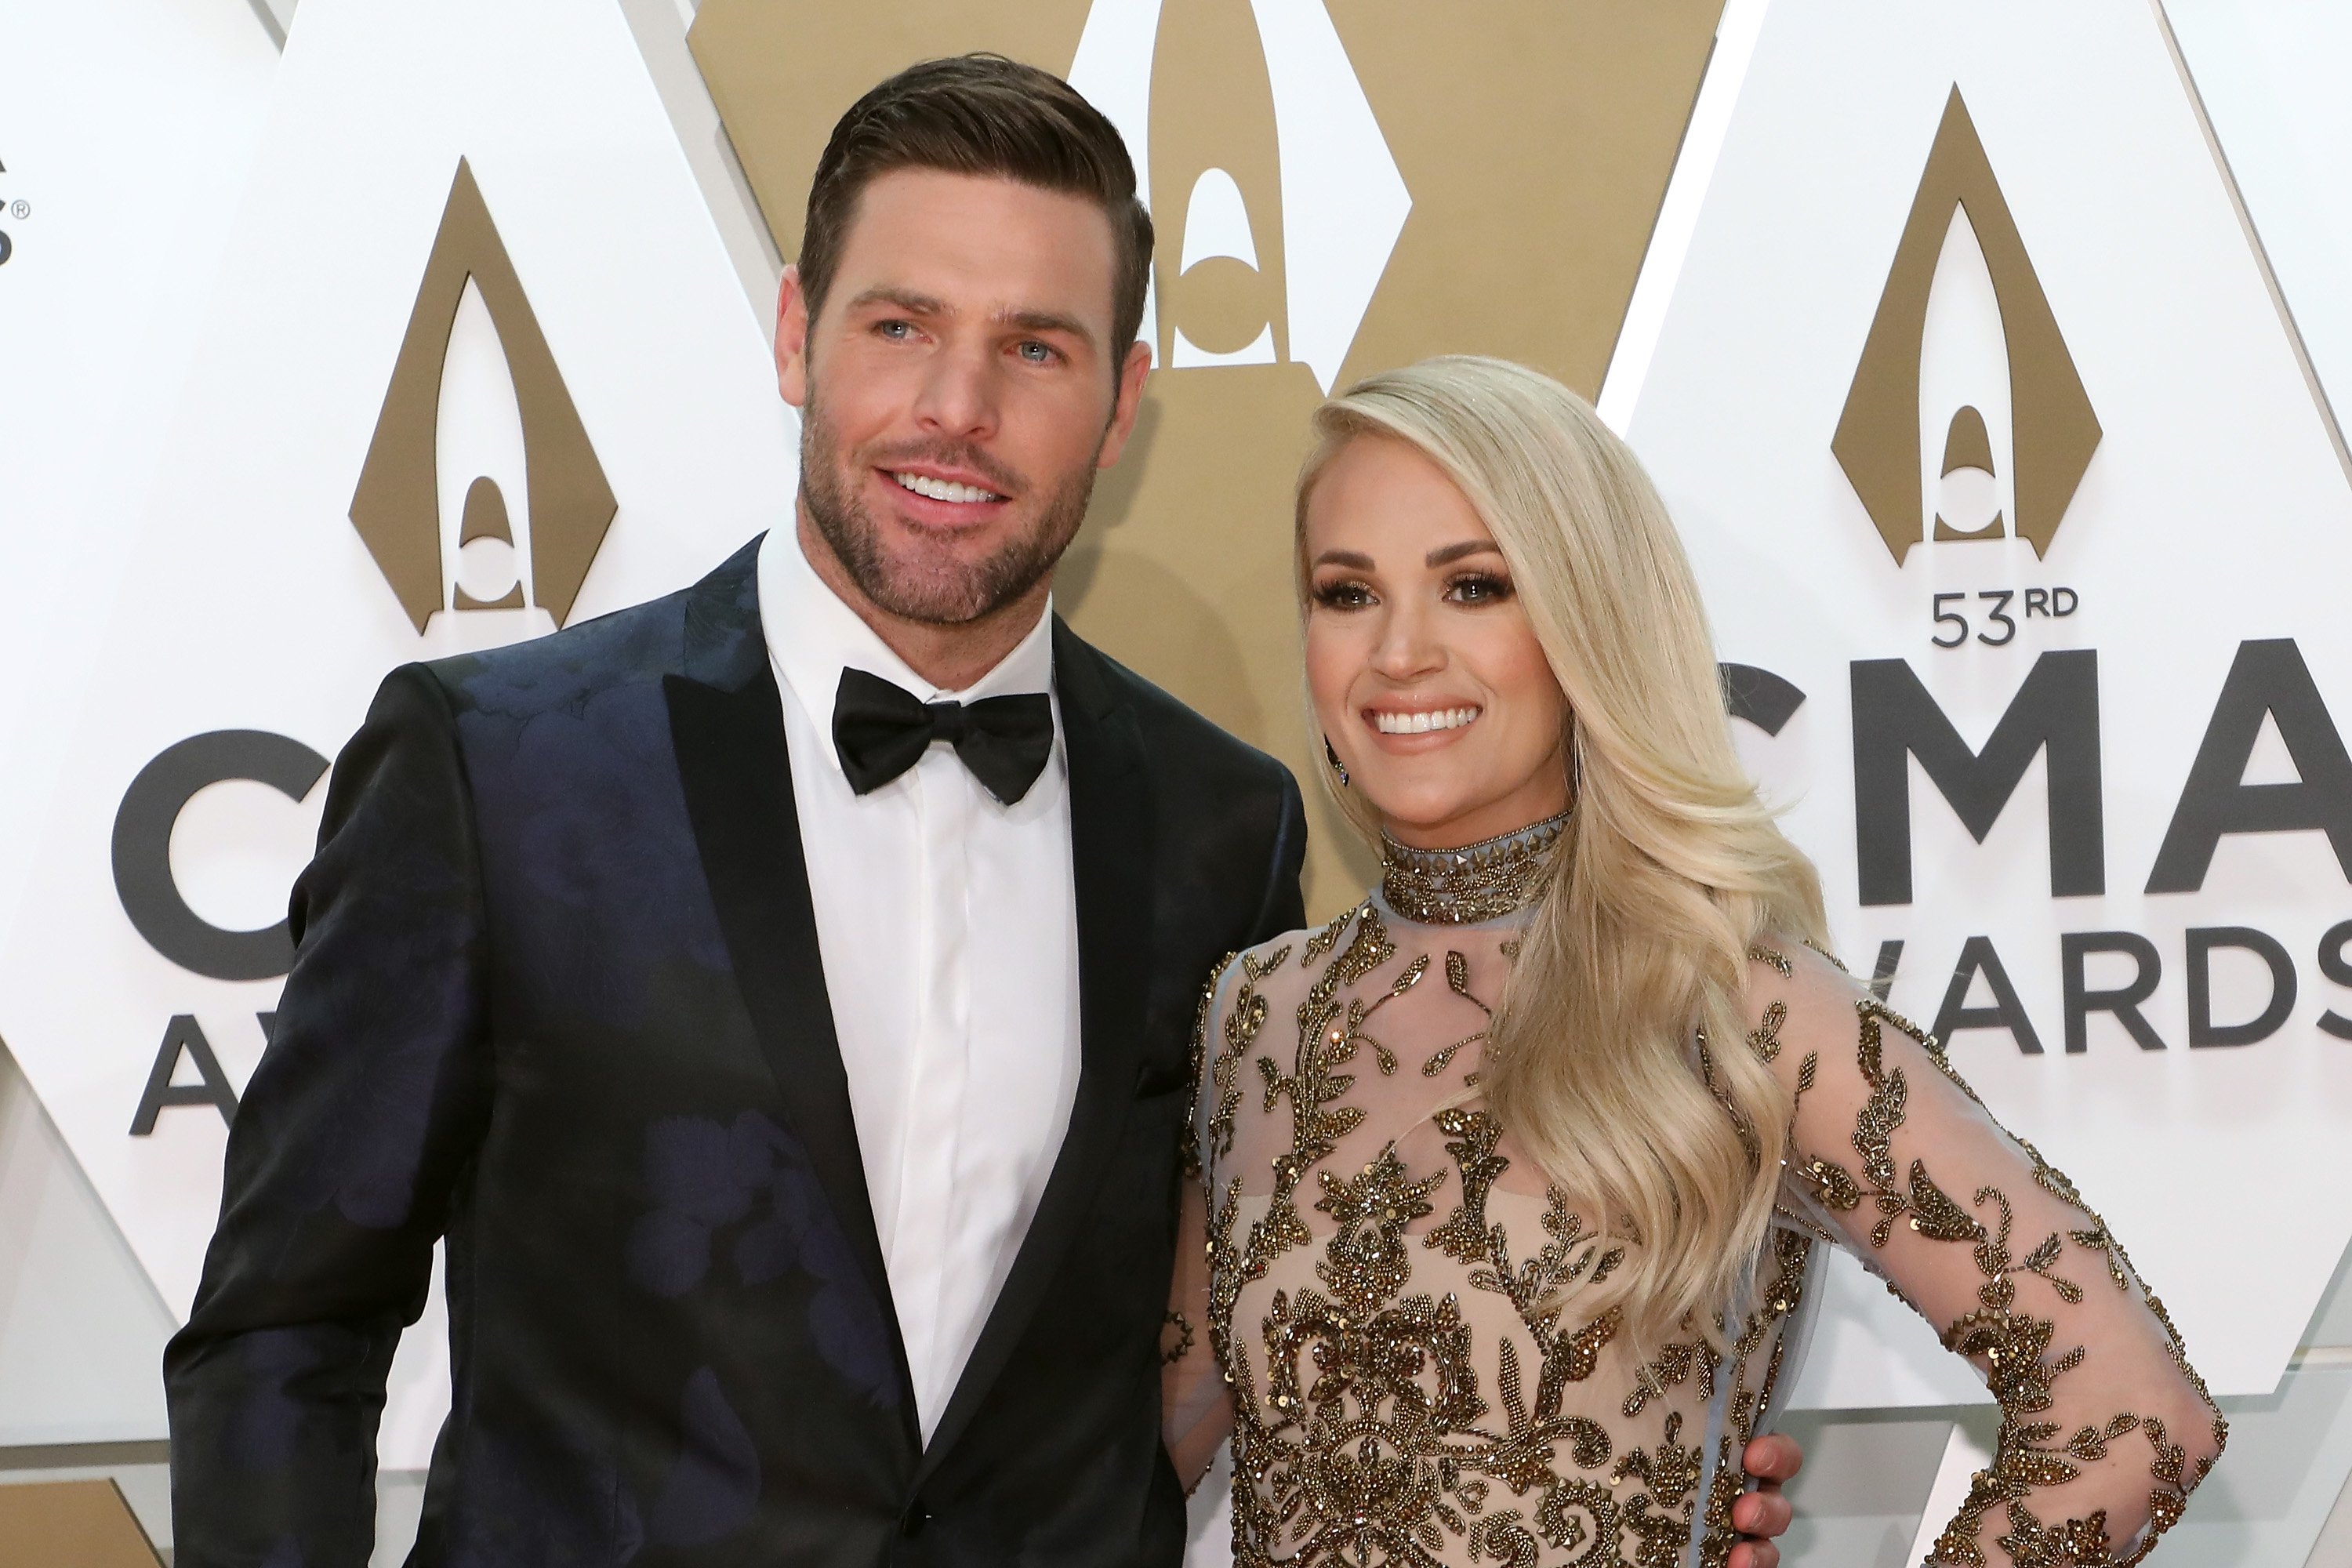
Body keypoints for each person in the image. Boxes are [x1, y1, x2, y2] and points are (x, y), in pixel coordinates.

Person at [162, 55, 1802, 1566]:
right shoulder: (495, 766)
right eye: (901, 326)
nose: (959, 406)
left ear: (1123, 397)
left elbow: (1272, 1318)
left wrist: (1608, 1441)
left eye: (1035, 346)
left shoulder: (1218, 828)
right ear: (798, 334)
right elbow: (285, 1328)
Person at [1163, 357, 2227, 1567]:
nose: (1400, 653)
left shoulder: (1735, 1000)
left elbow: (2132, 1414)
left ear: (1587, 617)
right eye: (1347, 593)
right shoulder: (1258, 1013)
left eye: (1474, 586)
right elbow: (1156, 1446)